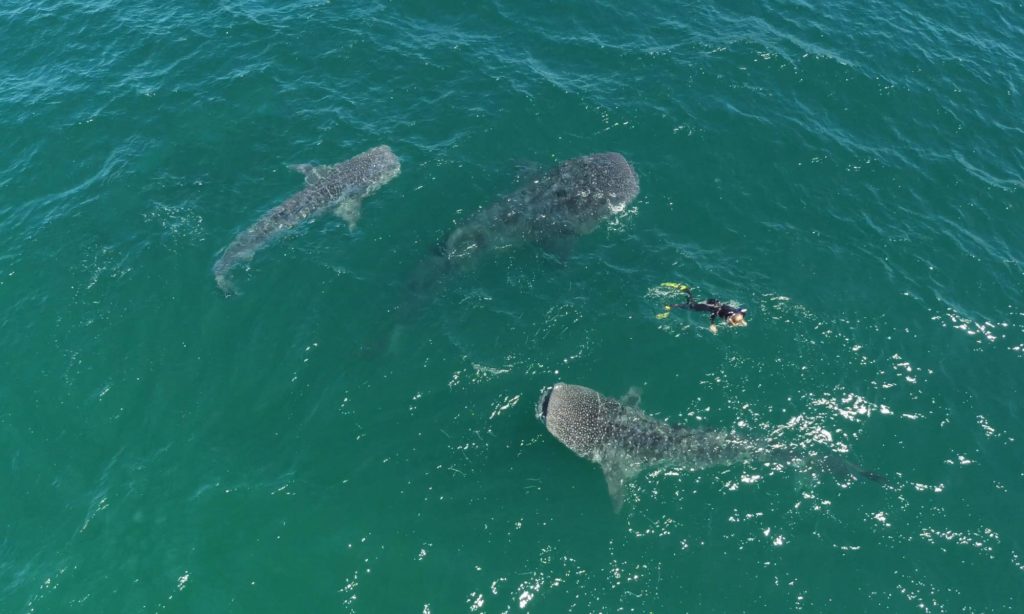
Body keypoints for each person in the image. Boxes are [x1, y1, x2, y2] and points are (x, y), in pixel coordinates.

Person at [656, 283, 748, 334]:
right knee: (691, 306)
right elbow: (713, 314)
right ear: (731, 318)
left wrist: (742, 321)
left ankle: (687, 293)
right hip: (710, 306)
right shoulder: (727, 317)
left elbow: (743, 310)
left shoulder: (740, 313)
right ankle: (674, 302)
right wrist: (712, 324)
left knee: (694, 304)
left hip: (716, 302)